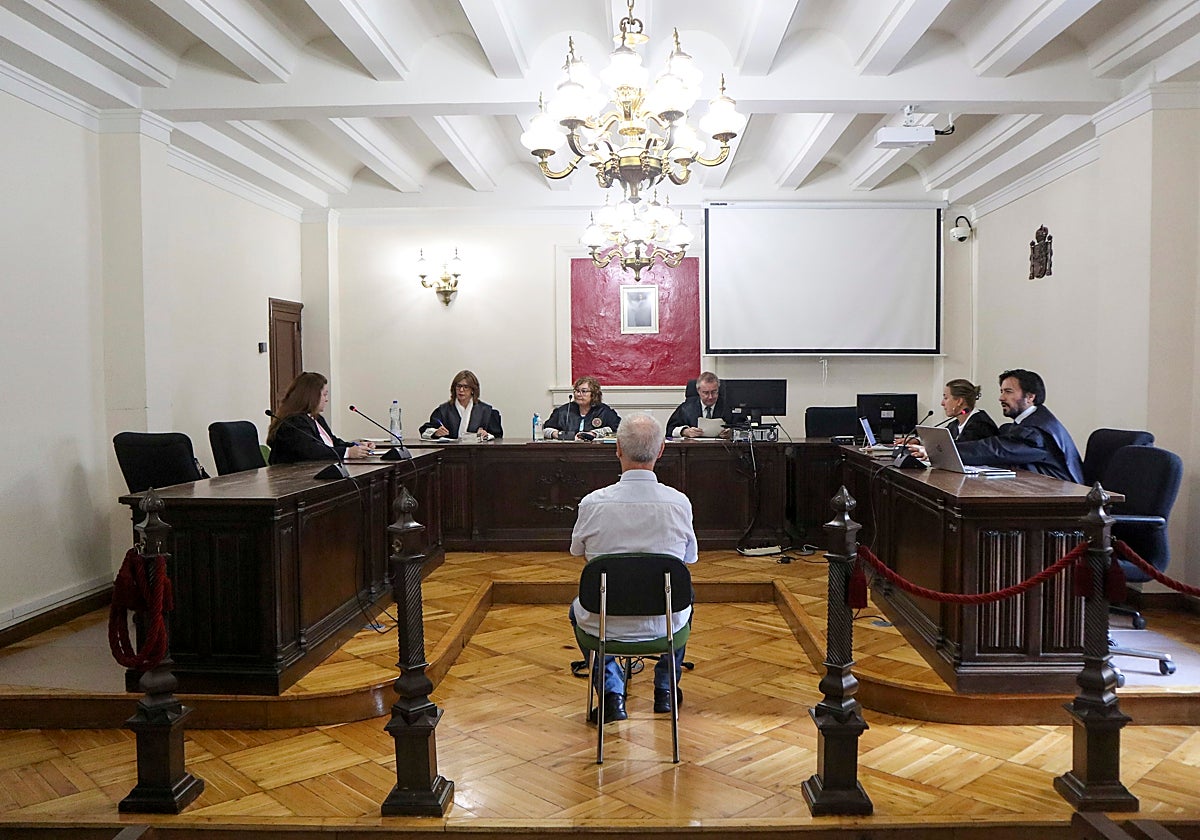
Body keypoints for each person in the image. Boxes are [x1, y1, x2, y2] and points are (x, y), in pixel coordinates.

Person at [568, 413, 698, 722]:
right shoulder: (679, 503)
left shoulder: (592, 503)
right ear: (661, 450)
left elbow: (578, 552)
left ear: (617, 448)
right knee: (686, 596)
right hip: (663, 624)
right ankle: (666, 688)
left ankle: (611, 694)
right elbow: (688, 559)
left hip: (603, 622)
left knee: (576, 609)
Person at [955, 369, 1084, 483]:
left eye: (1008, 392)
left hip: (1061, 497)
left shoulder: (1036, 430)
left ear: (1030, 397)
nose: (1001, 398)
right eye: (1001, 392)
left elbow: (996, 451)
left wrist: (950, 452)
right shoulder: (1034, 420)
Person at [267, 371, 373, 464]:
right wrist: (347, 452)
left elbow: (332, 442)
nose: (326, 399)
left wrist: (357, 446)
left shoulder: (316, 418)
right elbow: (311, 451)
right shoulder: (294, 422)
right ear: (312, 396)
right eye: (324, 395)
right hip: (295, 476)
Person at [419, 369, 503, 440]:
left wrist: (486, 435)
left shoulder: (486, 411)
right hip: (449, 452)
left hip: (478, 452)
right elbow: (425, 431)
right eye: (458, 386)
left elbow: (498, 436)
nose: (461, 390)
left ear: (473, 390)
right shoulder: (443, 410)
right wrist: (436, 432)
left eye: (466, 387)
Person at [544, 375, 621, 441]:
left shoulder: (604, 411)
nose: (578, 394)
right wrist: (558, 435)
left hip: (595, 451)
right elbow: (546, 429)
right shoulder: (563, 411)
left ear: (594, 394)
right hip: (566, 450)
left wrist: (594, 434)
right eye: (577, 391)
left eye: (583, 391)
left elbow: (617, 429)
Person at [666, 371, 730, 439]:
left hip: (721, 445)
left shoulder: (728, 407)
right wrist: (685, 431)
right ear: (698, 391)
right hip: (693, 445)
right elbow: (670, 430)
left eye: (714, 392)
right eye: (706, 393)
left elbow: (737, 427)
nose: (710, 397)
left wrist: (731, 433)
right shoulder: (686, 408)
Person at [941, 378, 998, 442]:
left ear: (959, 401)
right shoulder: (953, 426)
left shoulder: (981, 426)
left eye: (946, 398)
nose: (942, 403)